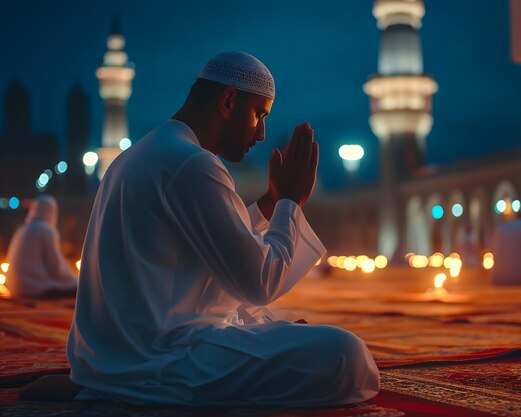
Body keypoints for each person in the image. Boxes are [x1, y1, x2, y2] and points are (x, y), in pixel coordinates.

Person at [64, 52, 379, 408]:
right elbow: (260, 283)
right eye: (259, 115)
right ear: (229, 101)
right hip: (162, 360)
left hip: (115, 355)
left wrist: (272, 201)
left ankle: (110, 382)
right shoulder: (193, 164)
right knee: (346, 356)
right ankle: (133, 391)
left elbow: (217, 242)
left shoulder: (143, 154)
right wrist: (290, 202)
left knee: (282, 323)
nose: (261, 134)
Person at [4, 195, 77, 298]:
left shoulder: (22, 229)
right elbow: (56, 268)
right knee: (78, 288)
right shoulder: (47, 231)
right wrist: (74, 279)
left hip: (14, 288)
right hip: (36, 288)